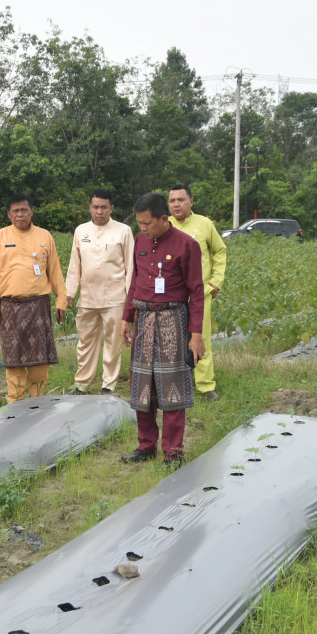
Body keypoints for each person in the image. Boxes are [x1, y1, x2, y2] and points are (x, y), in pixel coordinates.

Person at [121, 192, 204, 467]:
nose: (142, 228)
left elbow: (197, 292)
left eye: (147, 223)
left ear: (163, 219)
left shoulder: (186, 245)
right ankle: (146, 446)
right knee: (142, 384)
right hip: (144, 318)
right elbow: (135, 281)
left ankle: (173, 452)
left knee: (172, 387)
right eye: (139, 223)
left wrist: (196, 334)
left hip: (173, 318)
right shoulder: (140, 241)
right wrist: (127, 317)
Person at [0, 194, 67, 402]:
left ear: (32, 212)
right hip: (10, 306)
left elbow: (55, 271)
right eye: (15, 211)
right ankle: (15, 401)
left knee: (40, 359)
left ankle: (37, 401)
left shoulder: (45, 236)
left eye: (24, 210)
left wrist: (61, 300)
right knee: (14, 358)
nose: (20, 214)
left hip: (38, 305)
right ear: (8, 214)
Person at [65, 190, 134, 394]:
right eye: (95, 207)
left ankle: (108, 385)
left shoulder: (123, 231)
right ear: (90, 208)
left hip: (114, 297)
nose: (99, 211)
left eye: (104, 207)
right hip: (87, 297)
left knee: (113, 342)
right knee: (85, 341)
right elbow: (74, 264)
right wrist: (70, 291)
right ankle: (82, 384)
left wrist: (131, 301)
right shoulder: (81, 231)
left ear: (111, 208)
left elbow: (130, 267)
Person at [167, 183, 228, 401]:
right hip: (172, 295)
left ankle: (205, 385)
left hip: (200, 295)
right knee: (171, 340)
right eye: (172, 200)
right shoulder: (165, 226)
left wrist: (216, 282)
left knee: (201, 338)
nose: (176, 204)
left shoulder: (204, 224)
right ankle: (175, 382)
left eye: (181, 200)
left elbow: (220, 251)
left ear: (191, 202)